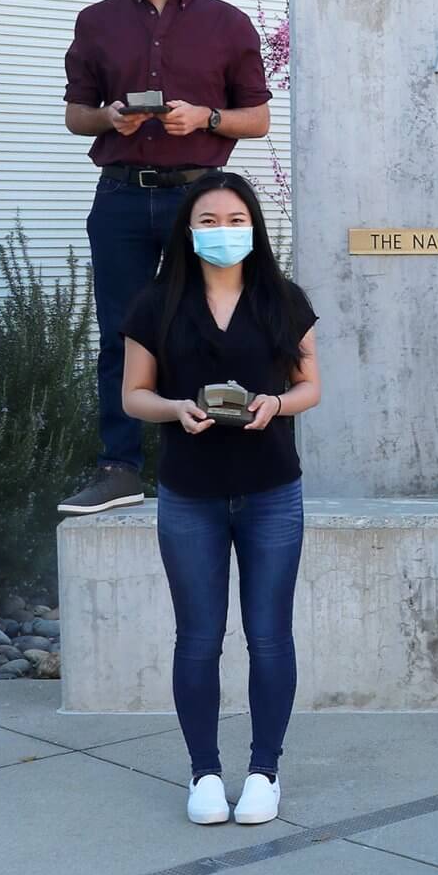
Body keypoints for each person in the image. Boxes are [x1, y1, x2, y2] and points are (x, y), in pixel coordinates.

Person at [59, 0, 273, 516]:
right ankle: (120, 469)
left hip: (198, 201)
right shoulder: (97, 22)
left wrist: (205, 117)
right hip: (122, 197)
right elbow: (76, 114)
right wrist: (109, 118)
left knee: (212, 327)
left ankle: (216, 458)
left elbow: (256, 118)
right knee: (122, 336)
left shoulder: (227, 23)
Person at [119, 173, 320, 827]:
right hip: (189, 495)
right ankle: (203, 771)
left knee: (269, 636)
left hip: (271, 491)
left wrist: (277, 404)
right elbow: (133, 394)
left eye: (236, 219)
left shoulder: (283, 300)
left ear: (255, 227)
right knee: (199, 638)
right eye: (209, 219)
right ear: (187, 227)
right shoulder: (157, 303)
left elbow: (309, 385)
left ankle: (265, 769)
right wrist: (176, 409)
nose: (223, 231)